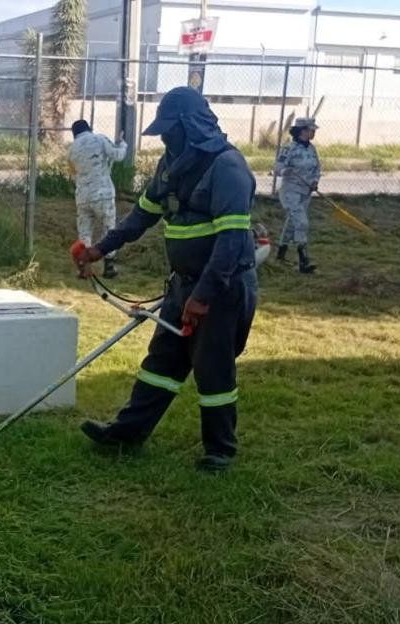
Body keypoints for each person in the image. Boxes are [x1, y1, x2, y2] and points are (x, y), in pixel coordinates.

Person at [73, 87, 259, 473]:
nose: (165, 138)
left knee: (214, 369)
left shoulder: (227, 168)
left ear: (192, 126)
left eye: (171, 131)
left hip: (221, 287)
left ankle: (220, 450)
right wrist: (99, 249)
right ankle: (128, 432)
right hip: (183, 284)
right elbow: (141, 217)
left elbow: (229, 242)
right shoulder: (170, 166)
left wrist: (203, 296)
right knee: (161, 362)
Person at [67, 119, 127, 278]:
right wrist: (123, 144)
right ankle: (109, 266)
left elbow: (73, 173)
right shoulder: (99, 139)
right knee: (108, 229)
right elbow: (118, 156)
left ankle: (84, 267)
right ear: (89, 129)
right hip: (103, 194)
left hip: (83, 196)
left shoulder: (71, 149)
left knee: (85, 232)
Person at [274, 117, 321, 274]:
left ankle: (281, 253)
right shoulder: (289, 148)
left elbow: (317, 168)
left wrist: (315, 181)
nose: (313, 132)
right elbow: (278, 166)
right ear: (302, 131)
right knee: (301, 222)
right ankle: (303, 261)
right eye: (311, 130)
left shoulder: (311, 149)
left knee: (292, 223)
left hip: (305, 192)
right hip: (290, 191)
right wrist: (284, 170)